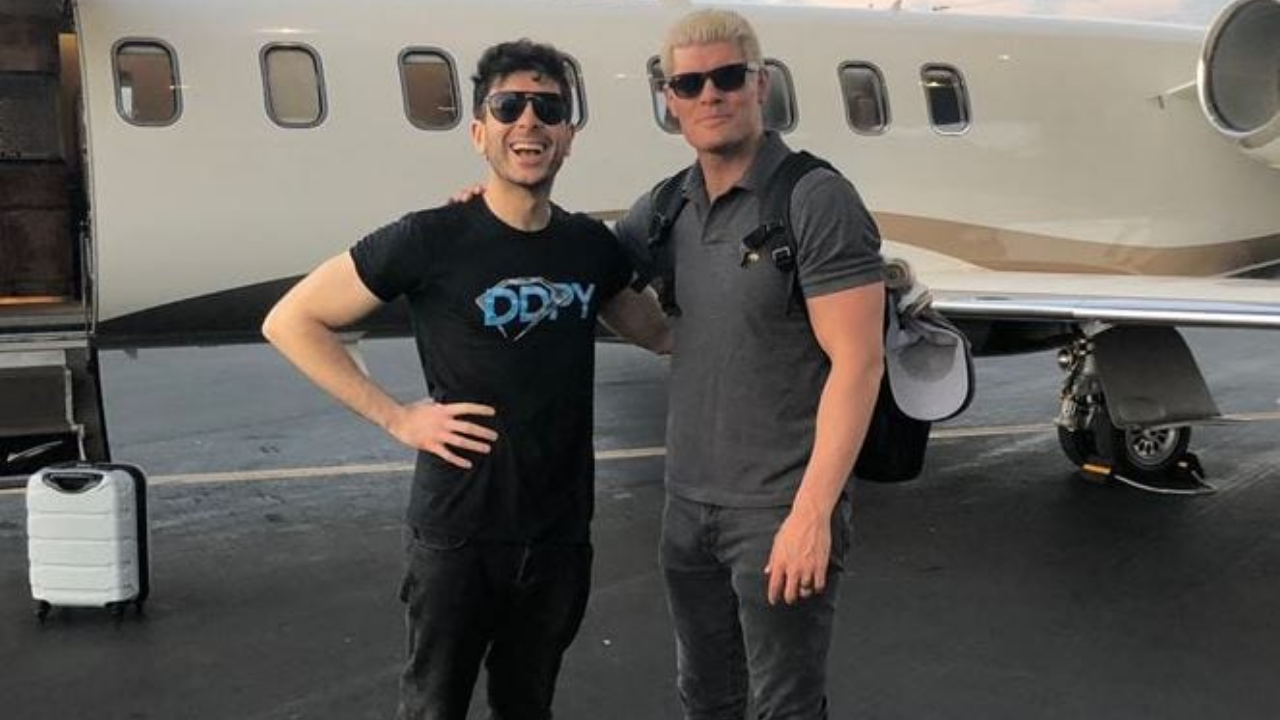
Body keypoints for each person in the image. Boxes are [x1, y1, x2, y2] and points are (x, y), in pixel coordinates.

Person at [261, 39, 669, 720]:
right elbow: (292, 320)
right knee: (434, 708)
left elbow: (661, 333)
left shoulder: (590, 248)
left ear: (568, 136)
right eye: (509, 107)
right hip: (458, 534)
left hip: (559, 533)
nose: (529, 121)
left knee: (527, 705)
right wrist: (398, 417)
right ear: (481, 132)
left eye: (548, 109)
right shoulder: (430, 237)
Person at [612, 9, 886, 720]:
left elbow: (859, 364)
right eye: (690, 84)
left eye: (728, 76)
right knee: (706, 698)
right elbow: (592, 268)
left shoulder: (814, 199)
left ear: (760, 84)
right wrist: (486, 209)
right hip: (686, 508)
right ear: (670, 100)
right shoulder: (667, 207)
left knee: (784, 706)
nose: (710, 94)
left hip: (777, 510)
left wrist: (812, 514)